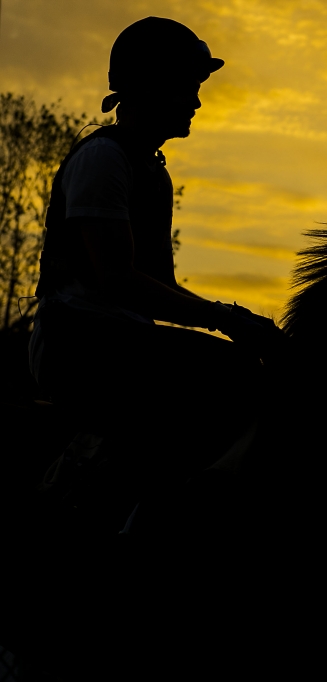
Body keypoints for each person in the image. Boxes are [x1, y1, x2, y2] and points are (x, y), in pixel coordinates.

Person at [29, 17, 281, 530]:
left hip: (117, 338)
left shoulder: (151, 172)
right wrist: (225, 319)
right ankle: (124, 507)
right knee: (233, 376)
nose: (196, 102)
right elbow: (116, 281)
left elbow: (157, 290)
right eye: (188, 87)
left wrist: (235, 321)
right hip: (76, 341)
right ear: (150, 87)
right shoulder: (104, 161)